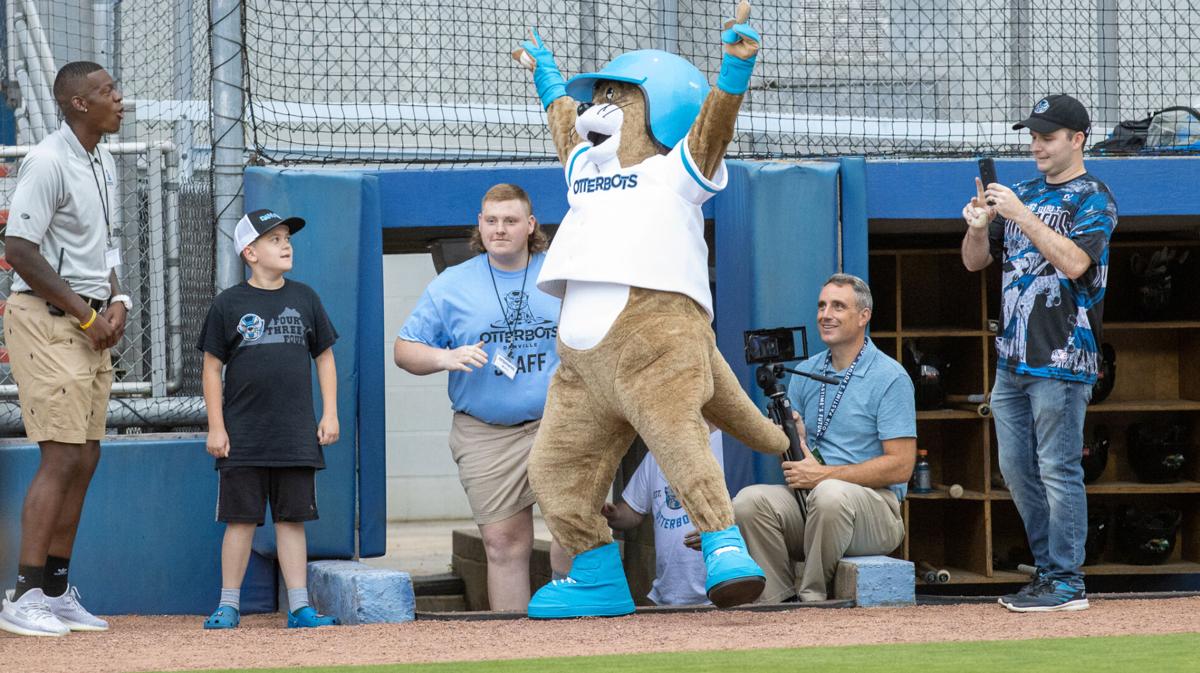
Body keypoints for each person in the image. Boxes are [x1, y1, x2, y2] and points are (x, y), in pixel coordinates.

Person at [961, 94, 1116, 613]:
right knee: (1017, 469)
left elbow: (1076, 264)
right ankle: (1048, 571)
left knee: (1058, 467)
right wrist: (978, 226)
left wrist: (1023, 216)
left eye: (1048, 137)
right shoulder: (1021, 192)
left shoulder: (1094, 197)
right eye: (1033, 136)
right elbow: (974, 263)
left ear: (1077, 140)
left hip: (1064, 359)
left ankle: (1068, 582)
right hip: (1012, 360)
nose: (1037, 146)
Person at [393, 183, 568, 611]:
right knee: (503, 544)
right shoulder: (452, 285)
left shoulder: (562, 274)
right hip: (487, 432)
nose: (500, 229)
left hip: (559, 424)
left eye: (510, 221)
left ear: (530, 226)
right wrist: (444, 356)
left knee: (574, 531)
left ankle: (576, 640)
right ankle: (514, 650)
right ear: (479, 224)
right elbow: (404, 350)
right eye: (491, 220)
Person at [0, 62, 130, 637]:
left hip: (89, 322)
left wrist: (119, 299)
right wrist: (85, 316)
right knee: (60, 455)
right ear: (78, 104)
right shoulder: (47, 161)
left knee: (86, 455)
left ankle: (54, 592)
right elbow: (19, 249)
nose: (119, 100)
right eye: (107, 92)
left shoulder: (101, 160)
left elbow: (108, 249)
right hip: (48, 320)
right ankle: (23, 595)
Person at [733, 274, 916, 603]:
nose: (825, 314)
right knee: (749, 502)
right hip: (815, 501)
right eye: (821, 306)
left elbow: (901, 467)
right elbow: (797, 468)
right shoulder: (805, 371)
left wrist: (823, 475)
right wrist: (794, 441)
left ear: (864, 316)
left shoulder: (890, 377)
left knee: (830, 494)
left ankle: (813, 599)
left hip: (876, 511)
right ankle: (776, 602)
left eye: (838, 306)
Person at [198, 209, 341, 629]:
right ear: (250, 252)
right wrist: (216, 425)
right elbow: (211, 368)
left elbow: (325, 358)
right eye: (274, 239)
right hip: (243, 435)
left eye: (286, 237)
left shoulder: (306, 298)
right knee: (240, 520)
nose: (285, 244)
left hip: (295, 434)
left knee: (291, 519)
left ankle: (299, 607)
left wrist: (329, 412)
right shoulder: (228, 304)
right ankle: (228, 605)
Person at [602, 430, 725, 606]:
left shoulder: (729, 445)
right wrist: (614, 514)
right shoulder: (657, 453)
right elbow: (632, 512)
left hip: (723, 594)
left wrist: (716, 536)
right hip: (667, 596)